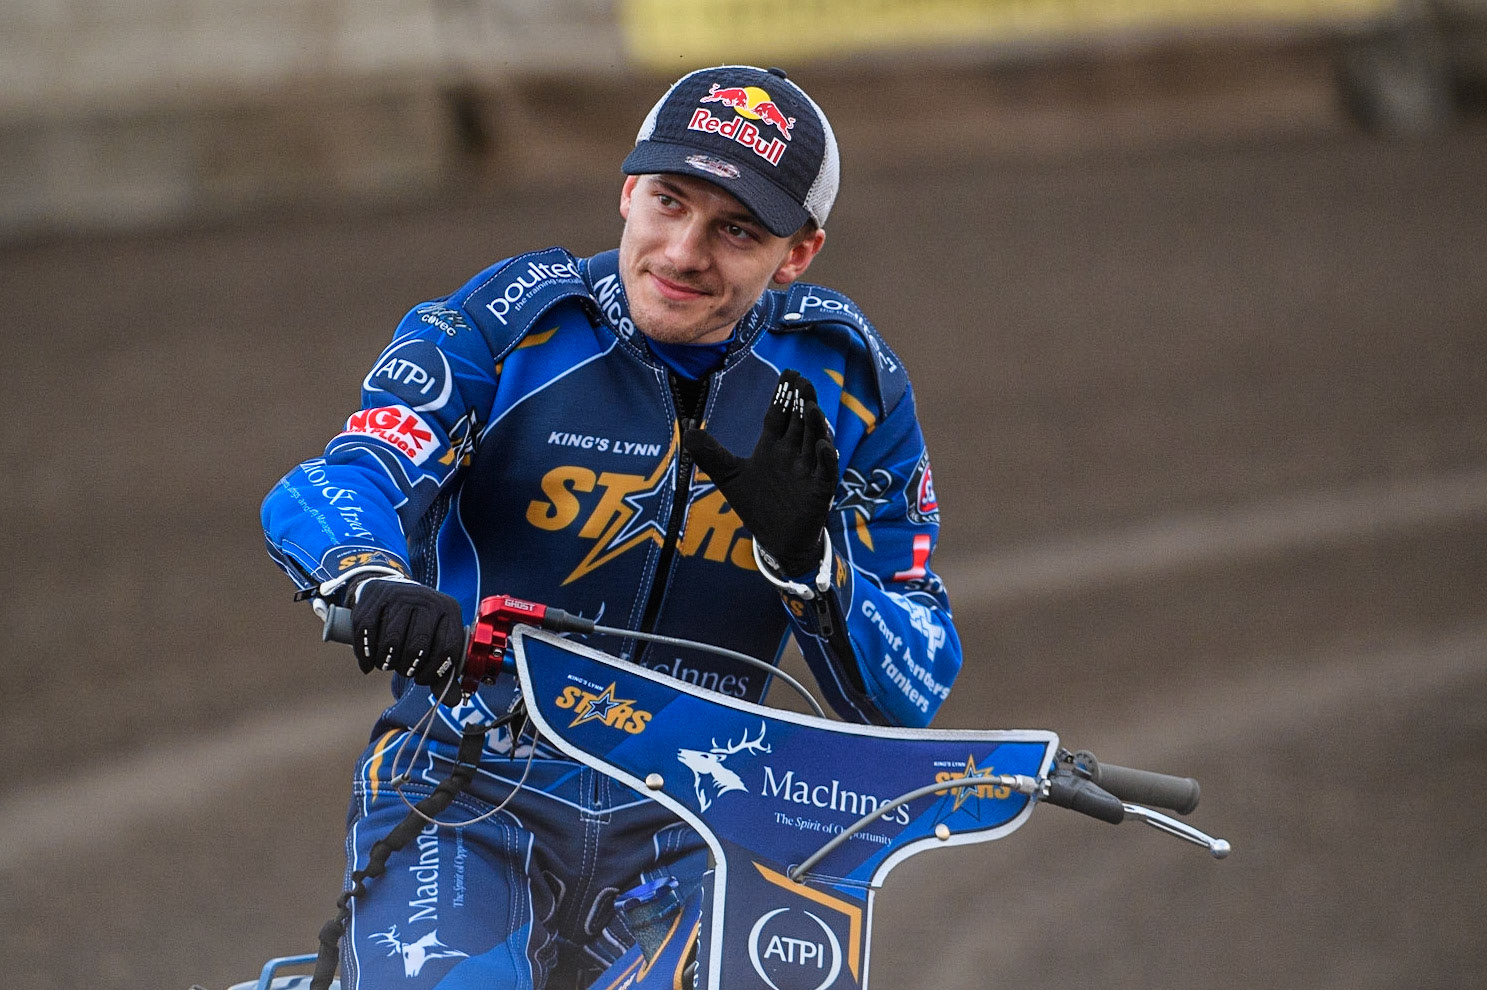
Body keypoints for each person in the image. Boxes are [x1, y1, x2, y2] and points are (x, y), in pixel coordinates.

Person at [261, 64, 961, 990]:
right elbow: (342, 477)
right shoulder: (512, 322)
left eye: (735, 229)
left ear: (796, 253)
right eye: (667, 201)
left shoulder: (848, 382)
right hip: (473, 784)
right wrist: (370, 576)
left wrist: (815, 568)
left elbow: (915, 684)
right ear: (628, 191)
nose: (681, 251)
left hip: (709, 813)